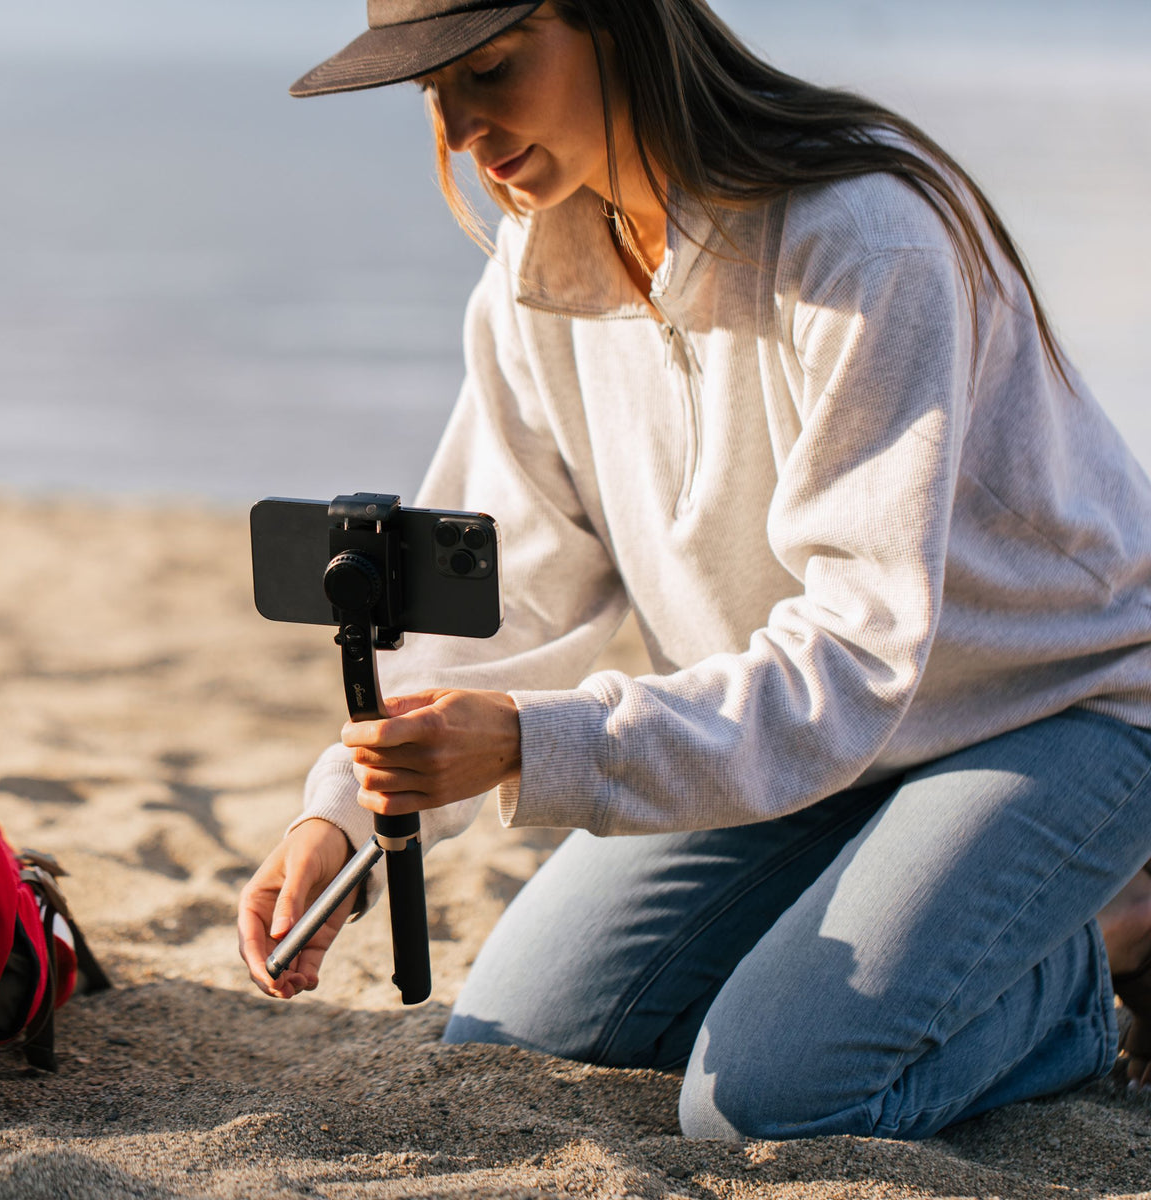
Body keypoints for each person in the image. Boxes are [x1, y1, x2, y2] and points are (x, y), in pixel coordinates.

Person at [238, 0, 1151, 1140]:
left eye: (492, 69)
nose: (465, 128)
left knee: (773, 1101)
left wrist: (532, 740)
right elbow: (505, 591)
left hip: (1056, 711)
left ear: (614, 23)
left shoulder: (864, 241)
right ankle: (935, 919)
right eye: (436, 92)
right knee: (524, 1031)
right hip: (801, 737)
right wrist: (342, 820)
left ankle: (1077, 981)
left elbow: (859, 653)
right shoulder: (538, 273)